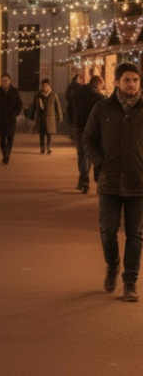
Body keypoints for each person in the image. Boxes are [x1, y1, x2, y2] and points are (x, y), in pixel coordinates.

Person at [83, 62, 143, 302]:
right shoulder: (102, 109)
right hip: (109, 181)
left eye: (136, 80)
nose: (132, 84)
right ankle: (113, 266)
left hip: (139, 182)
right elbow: (88, 138)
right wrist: (99, 161)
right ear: (117, 82)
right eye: (127, 80)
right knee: (108, 231)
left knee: (135, 235)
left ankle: (130, 282)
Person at [70, 75, 105, 193]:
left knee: (82, 154)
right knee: (95, 153)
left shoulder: (77, 92)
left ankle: (83, 180)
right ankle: (97, 181)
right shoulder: (98, 96)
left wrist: (73, 124)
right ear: (98, 84)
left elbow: (70, 108)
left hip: (78, 126)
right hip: (92, 128)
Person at [0, 73, 23, 164]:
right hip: (1, 118)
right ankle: (4, 154)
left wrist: (15, 113)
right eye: (3, 80)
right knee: (2, 137)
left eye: (6, 80)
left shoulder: (14, 91)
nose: (4, 82)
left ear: (9, 81)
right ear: (0, 81)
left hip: (11, 118)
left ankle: (7, 154)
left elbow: (20, 104)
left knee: (10, 137)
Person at [30, 78, 63, 154]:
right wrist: (31, 116)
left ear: (49, 86)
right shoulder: (38, 95)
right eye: (43, 86)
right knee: (41, 134)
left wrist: (60, 116)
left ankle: (49, 147)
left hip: (50, 117)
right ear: (41, 86)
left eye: (46, 86)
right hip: (40, 117)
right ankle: (42, 147)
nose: (45, 87)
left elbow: (57, 106)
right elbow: (33, 106)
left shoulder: (53, 95)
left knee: (49, 134)